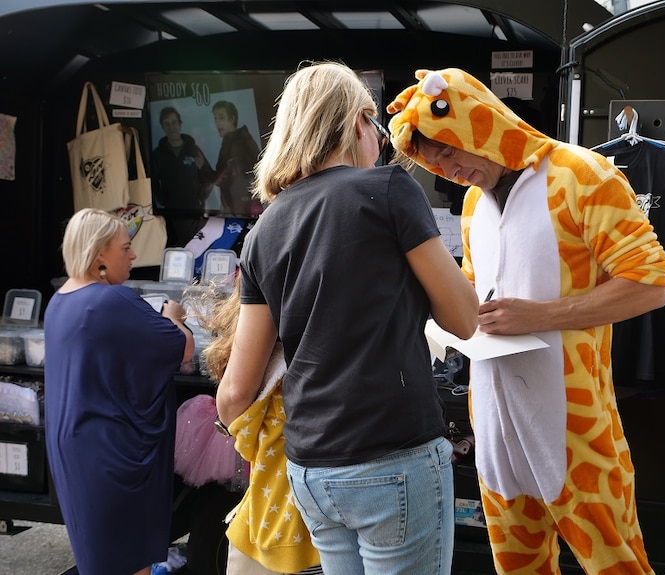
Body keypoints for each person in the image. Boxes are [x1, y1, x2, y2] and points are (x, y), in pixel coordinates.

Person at [387, 68, 665, 575]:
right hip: (494, 426)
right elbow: (476, 294)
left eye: (449, 152)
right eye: (434, 164)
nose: (448, 171)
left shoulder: (585, 174)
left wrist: (540, 316)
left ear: (478, 123)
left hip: (575, 427)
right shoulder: (473, 203)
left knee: (616, 565)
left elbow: (650, 285)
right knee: (516, 567)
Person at [215, 61, 479, 575]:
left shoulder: (265, 228)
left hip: (310, 468)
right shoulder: (389, 190)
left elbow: (234, 391)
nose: (379, 143)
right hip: (393, 454)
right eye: (377, 130)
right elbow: (464, 320)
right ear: (359, 121)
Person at [43, 208, 194, 575]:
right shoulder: (111, 301)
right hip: (113, 454)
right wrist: (173, 315)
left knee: (100, 557)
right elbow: (182, 348)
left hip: (76, 448)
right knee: (129, 561)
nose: (133, 256)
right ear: (99, 255)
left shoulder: (59, 300)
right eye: (125, 247)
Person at [199, 281, 322, 575]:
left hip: (271, 525)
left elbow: (234, 397)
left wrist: (229, 426)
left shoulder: (269, 371)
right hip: (326, 531)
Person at [151, 106, 217, 213]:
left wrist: (200, 198)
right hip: (171, 214)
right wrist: (164, 201)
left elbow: (210, 178)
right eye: (166, 124)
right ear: (163, 127)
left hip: (196, 212)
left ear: (180, 124)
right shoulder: (158, 154)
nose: (171, 127)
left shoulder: (193, 150)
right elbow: (153, 183)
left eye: (174, 122)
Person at [212, 100, 263, 216]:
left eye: (221, 118)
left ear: (232, 119)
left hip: (243, 209)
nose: (217, 123)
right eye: (215, 118)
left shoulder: (238, 142)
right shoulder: (231, 141)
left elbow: (249, 173)